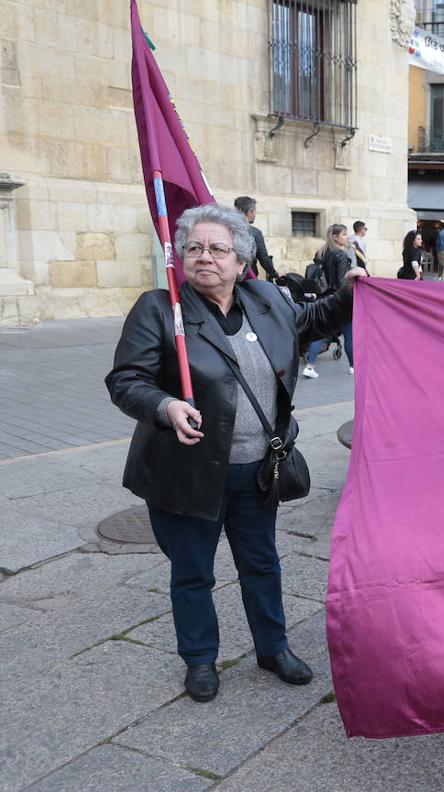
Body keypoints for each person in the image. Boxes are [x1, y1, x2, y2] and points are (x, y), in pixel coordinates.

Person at [106, 203, 364, 703]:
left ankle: (273, 647)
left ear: (241, 260)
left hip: (256, 470)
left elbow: (309, 322)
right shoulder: (161, 309)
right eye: (194, 248)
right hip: (188, 472)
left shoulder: (266, 298)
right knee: (193, 571)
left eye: (218, 248)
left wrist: (347, 295)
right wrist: (163, 405)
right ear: (180, 257)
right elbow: (125, 380)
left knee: (262, 564)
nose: (205, 257)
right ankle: (200, 659)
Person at [302, 224, 353, 378]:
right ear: (336, 237)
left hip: (324, 297)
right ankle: (353, 366)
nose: (347, 237)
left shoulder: (322, 252)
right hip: (339, 299)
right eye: (344, 234)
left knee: (320, 332)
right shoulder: (341, 255)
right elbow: (340, 282)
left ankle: (310, 366)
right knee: (349, 333)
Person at [233, 196, 278, 281]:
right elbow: (263, 258)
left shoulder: (227, 229)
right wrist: (274, 273)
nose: (254, 215)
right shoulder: (255, 233)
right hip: (249, 278)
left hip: (230, 276)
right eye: (254, 212)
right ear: (249, 212)